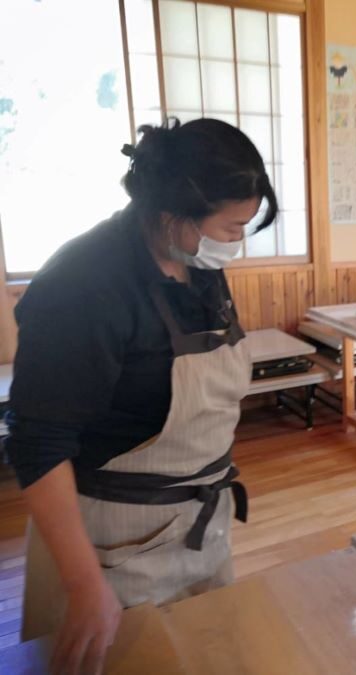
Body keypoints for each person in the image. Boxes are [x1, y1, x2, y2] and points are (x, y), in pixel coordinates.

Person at [4, 118, 277, 673]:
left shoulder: (196, 264)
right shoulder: (84, 284)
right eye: (231, 227)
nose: (237, 242)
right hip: (109, 546)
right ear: (174, 215)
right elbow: (38, 442)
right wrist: (83, 584)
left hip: (199, 525)